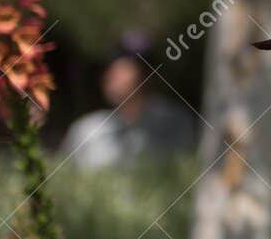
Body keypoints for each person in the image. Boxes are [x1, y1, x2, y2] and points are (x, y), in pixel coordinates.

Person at [59, 54, 196, 169]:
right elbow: (66, 175)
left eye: (121, 72)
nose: (111, 78)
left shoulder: (173, 121)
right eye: (110, 72)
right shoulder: (85, 129)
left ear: (144, 76)